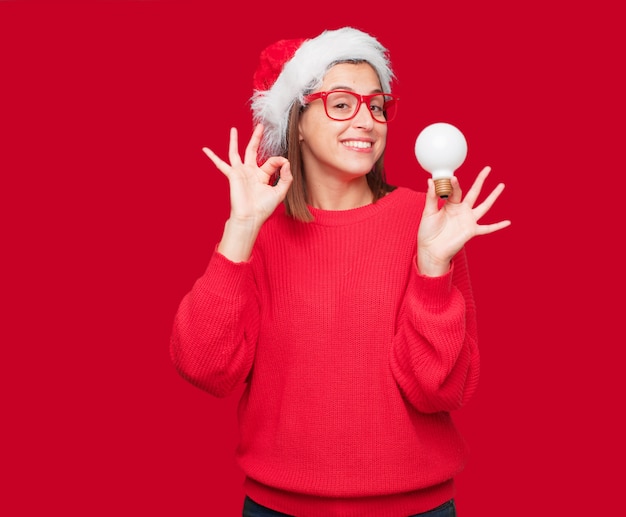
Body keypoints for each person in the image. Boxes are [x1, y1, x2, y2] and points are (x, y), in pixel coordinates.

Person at [170, 27, 510, 517]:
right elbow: (204, 368)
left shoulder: (430, 222)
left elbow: (441, 390)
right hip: (277, 508)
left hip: (417, 510)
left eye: (377, 105)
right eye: (343, 104)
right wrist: (240, 228)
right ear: (299, 121)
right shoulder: (259, 229)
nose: (368, 121)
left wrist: (433, 267)